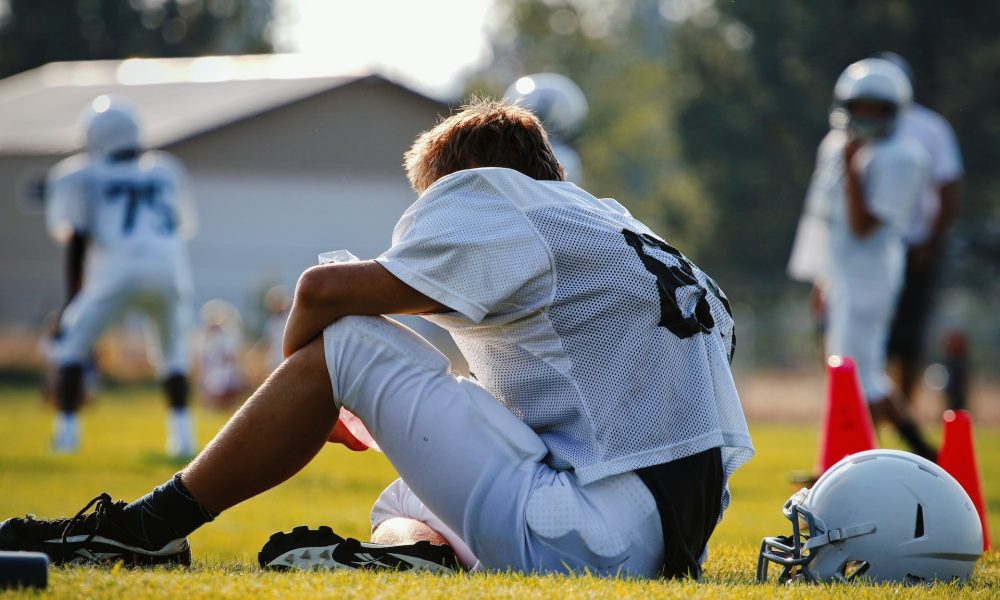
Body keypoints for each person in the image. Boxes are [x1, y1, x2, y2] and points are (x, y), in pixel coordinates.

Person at [1, 98, 753, 579]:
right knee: (405, 498)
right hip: (656, 532)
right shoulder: (615, 225)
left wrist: (313, 381)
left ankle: (145, 528)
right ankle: (416, 561)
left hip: (594, 533)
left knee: (350, 338)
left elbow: (321, 294)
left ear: (467, 181)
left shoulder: (495, 195)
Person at [787, 59, 936, 460]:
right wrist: (823, 277)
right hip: (844, 274)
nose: (867, 117)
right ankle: (915, 450)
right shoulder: (835, 144)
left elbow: (862, 225)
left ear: (893, 112)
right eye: (861, 107)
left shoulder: (903, 156)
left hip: (872, 275)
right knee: (855, 373)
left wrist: (853, 167)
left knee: (854, 375)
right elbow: (827, 221)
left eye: (877, 109)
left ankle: (860, 458)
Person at [43, 95, 198, 457]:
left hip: (118, 268)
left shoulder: (81, 175)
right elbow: (182, 224)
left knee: (71, 346)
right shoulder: (164, 169)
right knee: (173, 354)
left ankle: (66, 436)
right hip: (168, 267)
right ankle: (183, 438)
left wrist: (71, 301)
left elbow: (77, 240)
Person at [875, 52, 964, 409]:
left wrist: (933, 241)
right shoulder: (861, 129)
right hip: (871, 249)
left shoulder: (930, 128)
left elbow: (948, 188)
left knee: (907, 338)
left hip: (913, 247)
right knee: (870, 339)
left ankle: (903, 411)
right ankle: (874, 413)